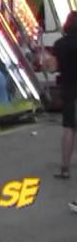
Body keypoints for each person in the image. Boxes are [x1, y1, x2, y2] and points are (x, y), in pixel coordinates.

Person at [52, 11, 77, 179]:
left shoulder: (59, 44)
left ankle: (65, 168)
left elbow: (52, 68)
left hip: (68, 88)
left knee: (69, 127)